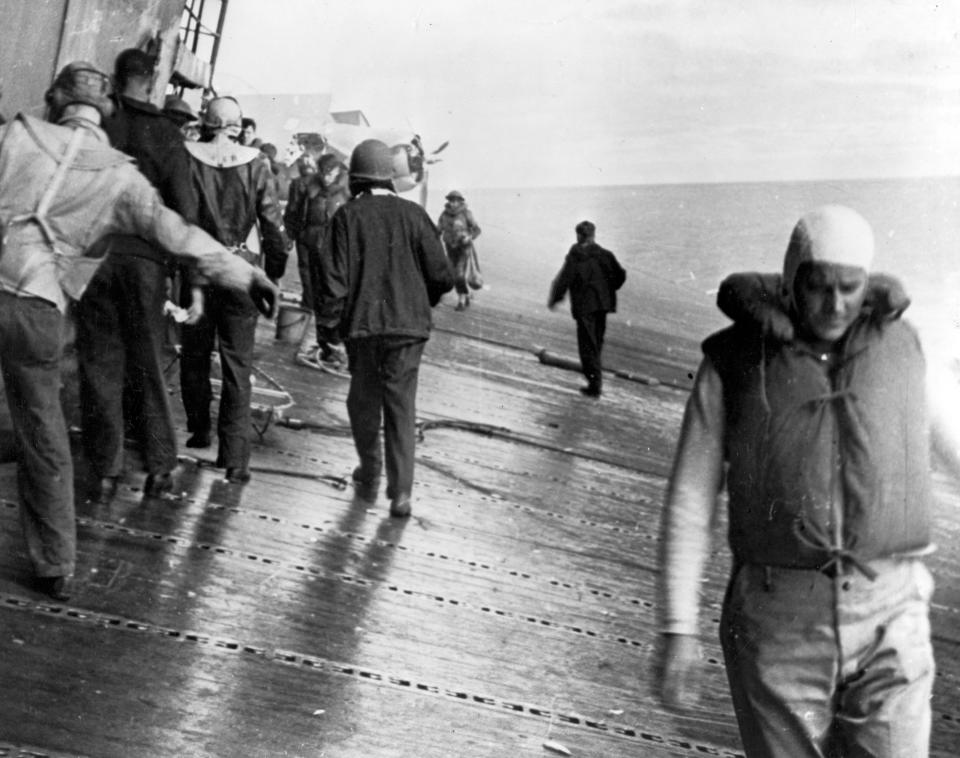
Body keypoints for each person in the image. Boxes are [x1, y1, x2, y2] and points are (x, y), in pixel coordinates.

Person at [657, 205, 960, 757]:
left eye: (850, 287)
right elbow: (690, 496)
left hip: (893, 611)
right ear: (790, 278)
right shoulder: (731, 362)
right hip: (777, 623)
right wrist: (678, 625)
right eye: (819, 286)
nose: (836, 303)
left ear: (868, 286)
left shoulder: (908, 351)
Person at [0, 61, 278, 600]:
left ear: (54, 99)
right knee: (45, 438)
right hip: (38, 309)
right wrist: (244, 271)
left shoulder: (13, 136)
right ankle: (55, 564)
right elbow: (178, 233)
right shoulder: (120, 175)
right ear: (103, 111)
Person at [76, 48, 195, 505]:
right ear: (151, 80)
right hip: (146, 262)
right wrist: (186, 276)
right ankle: (160, 468)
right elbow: (185, 209)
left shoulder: (103, 126)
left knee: (99, 361)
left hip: (97, 257)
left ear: (116, 78)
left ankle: (104, 470)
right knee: (147, 360)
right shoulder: (166, 133)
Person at [316, 139, 454, 517]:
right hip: (409, 329)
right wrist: (422, 301)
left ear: (356, 179)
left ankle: (370, 468)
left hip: (363, 328)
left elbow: (333, 283)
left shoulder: (345, 217)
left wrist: (328, 332)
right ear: (391, 178)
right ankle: (402, 493)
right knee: (401, 405)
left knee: (362, 400)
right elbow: (442, 275)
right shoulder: (414, 214)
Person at [178, 96, 287, 484]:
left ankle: (199, 428)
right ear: (238, 126)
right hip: (242, 271)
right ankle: (235, 456)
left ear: (207, 122)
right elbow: (273, 226)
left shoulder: (188, 155)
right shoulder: (257, 162)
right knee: (237, 365)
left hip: (198, 268)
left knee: (194, 354)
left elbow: (182, 218)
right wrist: (270, 275)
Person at [547, 220, 626, 397]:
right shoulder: (606, 255)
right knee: (597, 342)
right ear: (593, 235)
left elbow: (564, 279)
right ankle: (594, 381)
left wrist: (555, 298)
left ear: (579, 235)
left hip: (584, 305)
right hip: (603, 304)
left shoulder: (575, 256)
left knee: (587, 345)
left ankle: (594, 384)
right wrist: (607, 289)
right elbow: (620, 276)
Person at [292, 153, 350, 371]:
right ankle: (321, 342)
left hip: (333, 248)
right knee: (311, 290)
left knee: (331, 295)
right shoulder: (309, 187)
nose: (326, 177)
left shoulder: (346, 191)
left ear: (337, 173)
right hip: (308, 241)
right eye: (323, 172)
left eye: (331, 173)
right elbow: (296, 213)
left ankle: (332, 346)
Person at [437, 190, 481, 310]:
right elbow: (438, 230)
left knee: (460, 275)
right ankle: (465, 294)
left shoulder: (466, 214)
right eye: (451, 200)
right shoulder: (444, 215)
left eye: (456, 201)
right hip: (450, 249)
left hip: (464, 249)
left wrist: (469, 237)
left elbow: (477, 230)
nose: (453, 203)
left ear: (460, 201)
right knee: (452, 275)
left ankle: (461, 300)